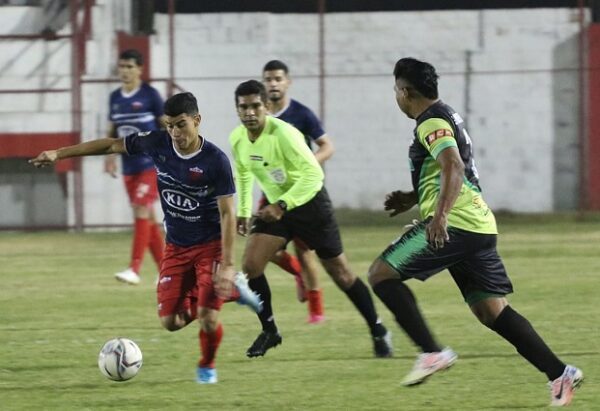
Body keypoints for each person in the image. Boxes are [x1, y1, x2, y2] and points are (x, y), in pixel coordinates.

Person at [367, 57, 583, 406]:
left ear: (406, 92)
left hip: (457, 224)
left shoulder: (430, 121)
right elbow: (451, 166)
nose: (397, 97)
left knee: (380, 274)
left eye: (396, 90)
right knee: (491, 310)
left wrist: (439, 217)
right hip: (479, 225)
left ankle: (431, 352)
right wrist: (413, 196)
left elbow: (453, 164)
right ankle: (560, 373)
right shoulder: (447, 114)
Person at [30, 92, 263, 384]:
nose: (176, 133)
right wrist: (59, 153)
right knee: (171, 322)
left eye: (181, 125)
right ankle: (228, 292)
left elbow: (228, 214)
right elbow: (111, 145)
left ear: (197, 120)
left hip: (209, 247)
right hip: (176, 246)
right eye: (170, 126)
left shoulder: (215, 161)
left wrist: (228, 264)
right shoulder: (158, 142)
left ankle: (206, 365)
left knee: (207, 316)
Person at [229, 80, 392, 358]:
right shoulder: (238, 139)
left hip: (310, 203)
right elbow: (244, 174)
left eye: (256, 106)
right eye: (243, 107)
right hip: (277, 207)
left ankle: (377, 328)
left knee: (340, 274)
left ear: (267, 107)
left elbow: (313, 176)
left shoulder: (285, 134)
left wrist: (282, 204)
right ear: (237, 110)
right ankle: (270, 331)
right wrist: (243, 211)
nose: (250, 112)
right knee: (251, 264)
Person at [261, 59, 334, 324]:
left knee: (305, 252)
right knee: (265, 250)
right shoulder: (260, 116)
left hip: (301, 194)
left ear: (287, 82)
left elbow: (327, 146)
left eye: (278, 79)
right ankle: (298, 275)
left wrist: (307, 165)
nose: (273, 84)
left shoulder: (301, 114)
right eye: (268, 79)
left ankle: (316, 311)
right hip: (271, 192)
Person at [104, 49, 165, 285]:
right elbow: (112, 130)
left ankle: (134, 268)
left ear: (140, 69)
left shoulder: (150, 95)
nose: (125, 71)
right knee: (147, 218)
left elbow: (165, 125)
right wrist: (108, 156)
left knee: (141, 208)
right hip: (128, 166)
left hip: (150, 165)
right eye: (122, 66)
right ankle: (166, 270)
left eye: (130, 66)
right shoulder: (115, 98)